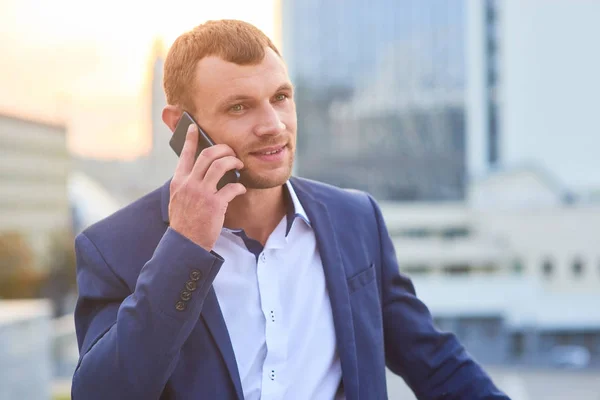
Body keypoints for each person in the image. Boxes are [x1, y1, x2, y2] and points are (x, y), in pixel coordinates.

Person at [72, 19, 510, 400]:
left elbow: (434, 362)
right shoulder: (113, 248)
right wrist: (184, 248)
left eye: (280, 97)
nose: (273, 126)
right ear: (179, 125)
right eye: (239, 106)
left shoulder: (355, 219)